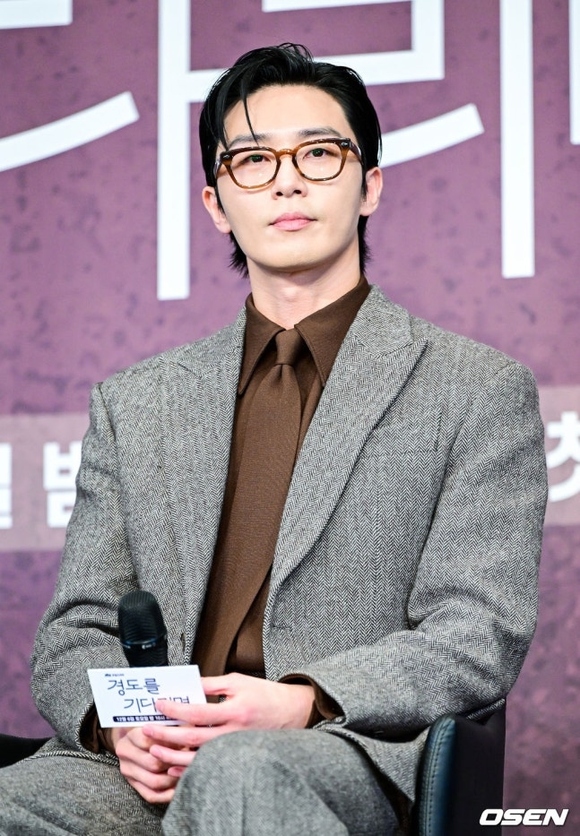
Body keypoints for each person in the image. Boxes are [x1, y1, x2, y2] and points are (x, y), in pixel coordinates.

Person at [0, 43, 547, 835]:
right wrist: (123, 727)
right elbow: (77, 628)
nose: (287, 181)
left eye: (319, 153)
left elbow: (476, 631)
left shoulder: (475, 390)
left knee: (242, 774)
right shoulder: (137, 403)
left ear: (371, 184)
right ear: (217, 203)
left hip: (337, 750)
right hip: (149, 762)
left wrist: (303, 699)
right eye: (253, 160)